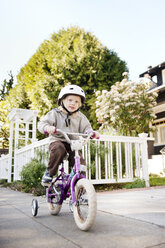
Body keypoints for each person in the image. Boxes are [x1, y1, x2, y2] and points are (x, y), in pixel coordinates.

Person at [38, 84, 100, 185]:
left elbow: (87, 128)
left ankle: (81, 187)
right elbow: (42, 124)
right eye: (70, 100)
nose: (73, 104)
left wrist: (91, 133)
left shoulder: (80, 117)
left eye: (77, 102)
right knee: (59, 148)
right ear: (62, 100)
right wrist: (47, 128)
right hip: (57, 140)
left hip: (72, 143)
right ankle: (49, 173)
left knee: (80, 162)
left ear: (80, 105)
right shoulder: (55, 113)